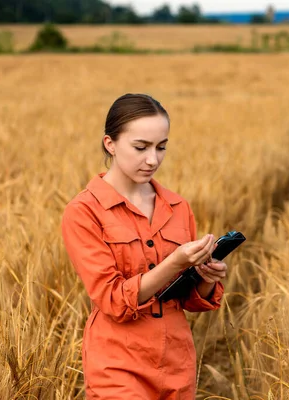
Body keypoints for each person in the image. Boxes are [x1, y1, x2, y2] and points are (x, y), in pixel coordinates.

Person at [61, 93, 227, 399]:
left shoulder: (178, 206)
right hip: (117, 365)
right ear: (110, 144)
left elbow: (187, 300)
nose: (153, 159)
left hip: (177, 362)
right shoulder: (84, 212)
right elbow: (111, 299)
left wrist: (205, 277)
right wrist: (175, 262)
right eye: (140, 147)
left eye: (161, 147)